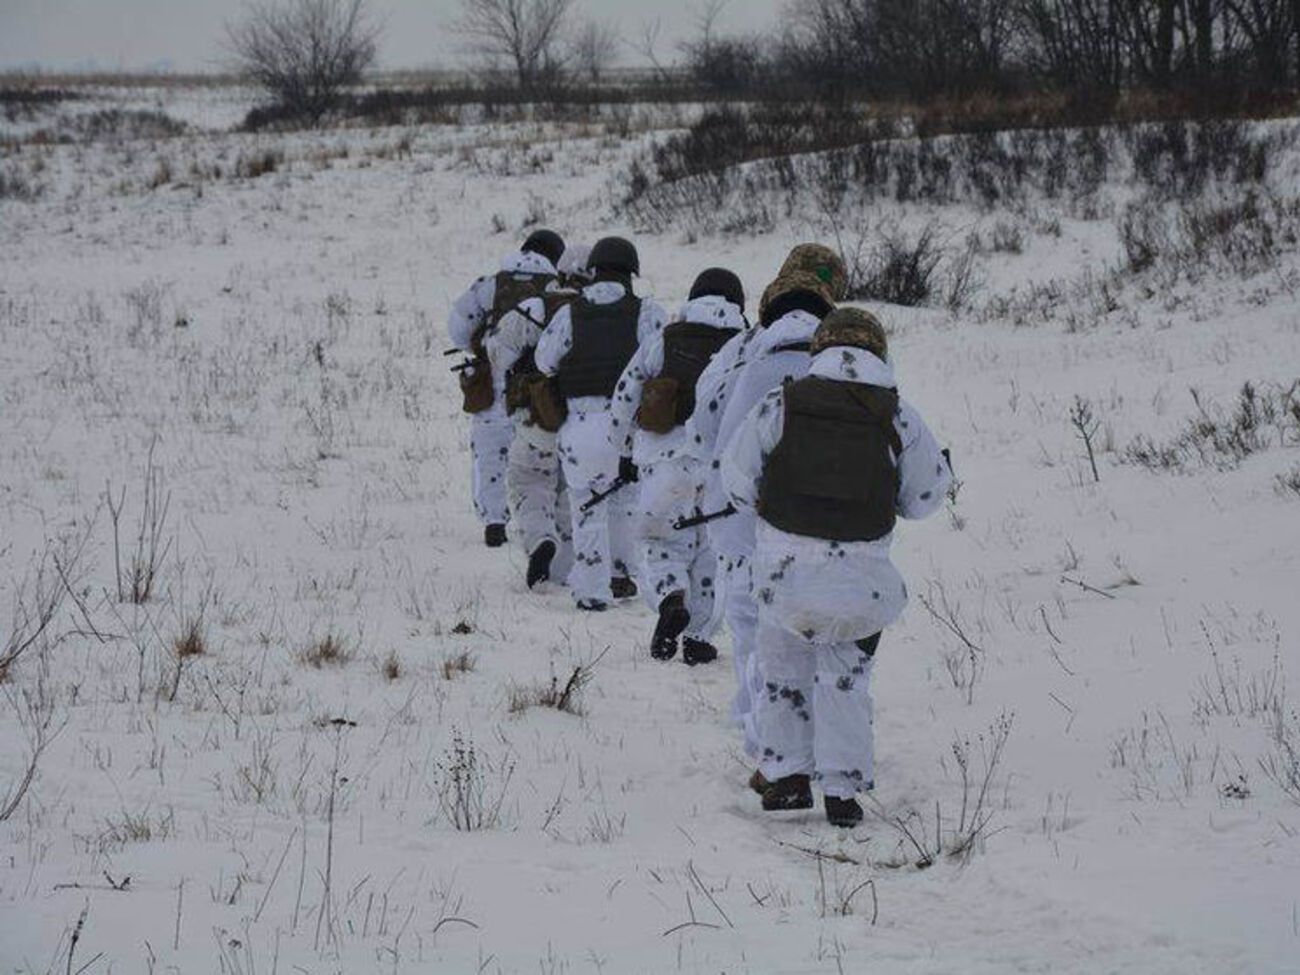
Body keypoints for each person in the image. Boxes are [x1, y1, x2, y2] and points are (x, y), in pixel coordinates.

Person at [721, 307, 952, 828]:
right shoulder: (898, 415)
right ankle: (843, 792)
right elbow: (925, 497)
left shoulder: (781, 403)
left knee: (783, 676)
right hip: (860, 581)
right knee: (845, 681)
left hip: (783, 573)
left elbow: (735, 480)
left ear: (819, 349)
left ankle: (787, 779)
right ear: (878, 351)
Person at [695, 247, 847, 779]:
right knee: (821, 636)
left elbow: (704, 417)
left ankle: (767, 744)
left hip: (741, 518)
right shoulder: (850, 352)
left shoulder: (742, 350)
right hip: (828, 519)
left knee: (752, 629)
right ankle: (821, 745)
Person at [608, 268, 747, 663]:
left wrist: (624, 449)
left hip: (665, 459)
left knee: (659, 540)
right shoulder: (745, 344)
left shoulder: (663, 339)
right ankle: (699, 638)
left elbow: (624, 396)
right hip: (720, 464)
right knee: (711, 552)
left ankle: (671, 598)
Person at [535, 236, 669, 611]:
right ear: (631, 273)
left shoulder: (569, 313)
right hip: (626, 428)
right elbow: (659, 361)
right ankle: (621, 575)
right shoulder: (648, 311)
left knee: (586, 506)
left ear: (594, 271)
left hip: (579, 427)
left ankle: (592, 592)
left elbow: (545, 361)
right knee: (625, 501)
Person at [485, 244, 594, 589]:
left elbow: (498, 354)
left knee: (529, 483)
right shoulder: (598, 313)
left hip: (537, 421)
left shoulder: (533, 308)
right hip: (583, 423)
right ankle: (563, 572)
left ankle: (539, 540)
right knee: (568, 492)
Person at [447, 229, 566, 547]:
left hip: (492, 380)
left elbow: (457, 327)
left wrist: (482, 346)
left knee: (490, 452)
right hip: (536, 383)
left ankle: (495, 522)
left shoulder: (490, 284)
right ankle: (541, 520)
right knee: (537, 453)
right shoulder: (556, 288)